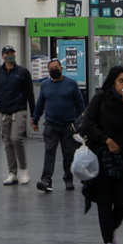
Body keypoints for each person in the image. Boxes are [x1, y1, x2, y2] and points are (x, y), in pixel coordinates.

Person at [81, 67, 123, 244]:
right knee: (105, 201)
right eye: (121, 81)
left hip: (122, 156)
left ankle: (110, 229)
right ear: (113, 83)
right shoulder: (100, 100)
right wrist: (107, 140)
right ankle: (108, 243)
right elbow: (87, 125)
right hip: (101, 156)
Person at [33, 57, 86, 193]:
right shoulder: (45, 85)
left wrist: (85, 120)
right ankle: (46, 180)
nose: (54, 70)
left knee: (68, 154)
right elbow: (40, 104)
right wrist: (35, 119)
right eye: (51, 69)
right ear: (48, 71)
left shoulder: (71, 84)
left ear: (61, 69)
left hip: (69, 125)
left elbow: (80, 103)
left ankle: (68, 179)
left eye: (56, 68)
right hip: (51, 125)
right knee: (49, 152)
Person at [0, 45, 35, 186]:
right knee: (8, 142)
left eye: (12, 53)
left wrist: (34, 115)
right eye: (7, 53)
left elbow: (30, 93)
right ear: (3, 56)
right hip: (3, 111)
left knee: (16, 138)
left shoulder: (23, 72)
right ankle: (12, 173)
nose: (10, 55)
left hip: (19, 109)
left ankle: (23, 168)